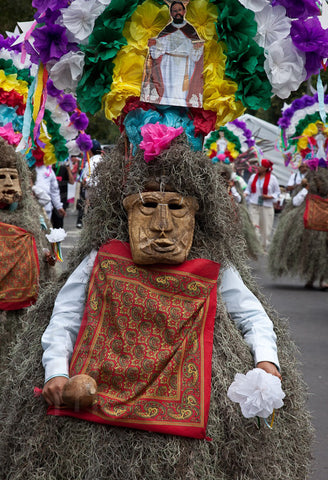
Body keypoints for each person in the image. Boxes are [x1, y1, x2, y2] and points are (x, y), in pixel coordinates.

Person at [0, 135, 312, 480]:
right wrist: (57, 371)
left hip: (188, 429)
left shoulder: (215, 265)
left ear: (197, 212)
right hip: (100, 414)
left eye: (176, 206)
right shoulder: (101, 258)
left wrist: (266, 360)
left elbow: (252, 315)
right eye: (148, 204)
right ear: (125, 209)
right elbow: (67, 314)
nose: (162, 223)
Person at [269, 166, 328, 290]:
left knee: (322, 253)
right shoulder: (306, 191)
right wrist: (305, 189)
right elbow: (295, 202)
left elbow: (295, 202)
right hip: (309, 224)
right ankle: (312, 279)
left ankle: (322, 279)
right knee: (313, 252)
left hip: (319, 226)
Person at [140, 1, 204, 107]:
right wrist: (154, 44)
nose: (177, 13)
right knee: (168, 90)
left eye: (179, 10)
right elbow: (158, 50)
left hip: (185, 66)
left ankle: (183, 106)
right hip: (168, 66)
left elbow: (196, 53)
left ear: (184, 11)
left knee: (183, 92)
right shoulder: (167, 29)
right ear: (171, 13)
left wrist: (198, 47)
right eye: (174, 11)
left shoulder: (190, 29)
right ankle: (167, 104)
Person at [245, 159, 281, 252]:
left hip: (266, 207)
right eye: (258, 165)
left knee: (266, 229)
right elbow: (248, 189)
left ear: (266, 168)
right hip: (254, 205)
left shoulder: (273, 179)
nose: (258, 167)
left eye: (260, 166)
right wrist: (245, 194)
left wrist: (270, 196)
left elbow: (277, 193)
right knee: (253, 227)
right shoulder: (253, 177)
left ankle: (263, 247)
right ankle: (254, 247)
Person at [51, 160, 75, 228]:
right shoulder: (47, 170)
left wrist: (68, 169)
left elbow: (72, 181)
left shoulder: (63, 168)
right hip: (49, 201)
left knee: (59, 224)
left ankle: (58, 238)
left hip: (61, 200)